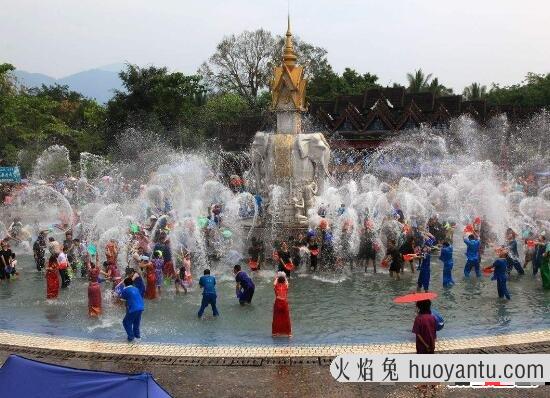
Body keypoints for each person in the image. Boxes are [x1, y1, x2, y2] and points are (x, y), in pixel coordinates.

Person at [120, 277, 145, 342]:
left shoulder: (125, 290)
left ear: (125, 284)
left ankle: (131, 338)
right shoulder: (136, 289)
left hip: (133, 308)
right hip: (141, 307)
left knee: (126, 322)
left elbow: (122, 301)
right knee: (136, 322)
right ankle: (137, 336)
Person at [272, 272, 291, 337]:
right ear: (284, 281)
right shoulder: (286, 286)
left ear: (278, 281)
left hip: (277, 303)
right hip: (284, 303)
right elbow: (287, 282)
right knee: (286, 318)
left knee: (276, 318)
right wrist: (284, 277)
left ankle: (275, 333)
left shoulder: (276, 286)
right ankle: (289, 334)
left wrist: (277, 277)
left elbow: (274, 283)